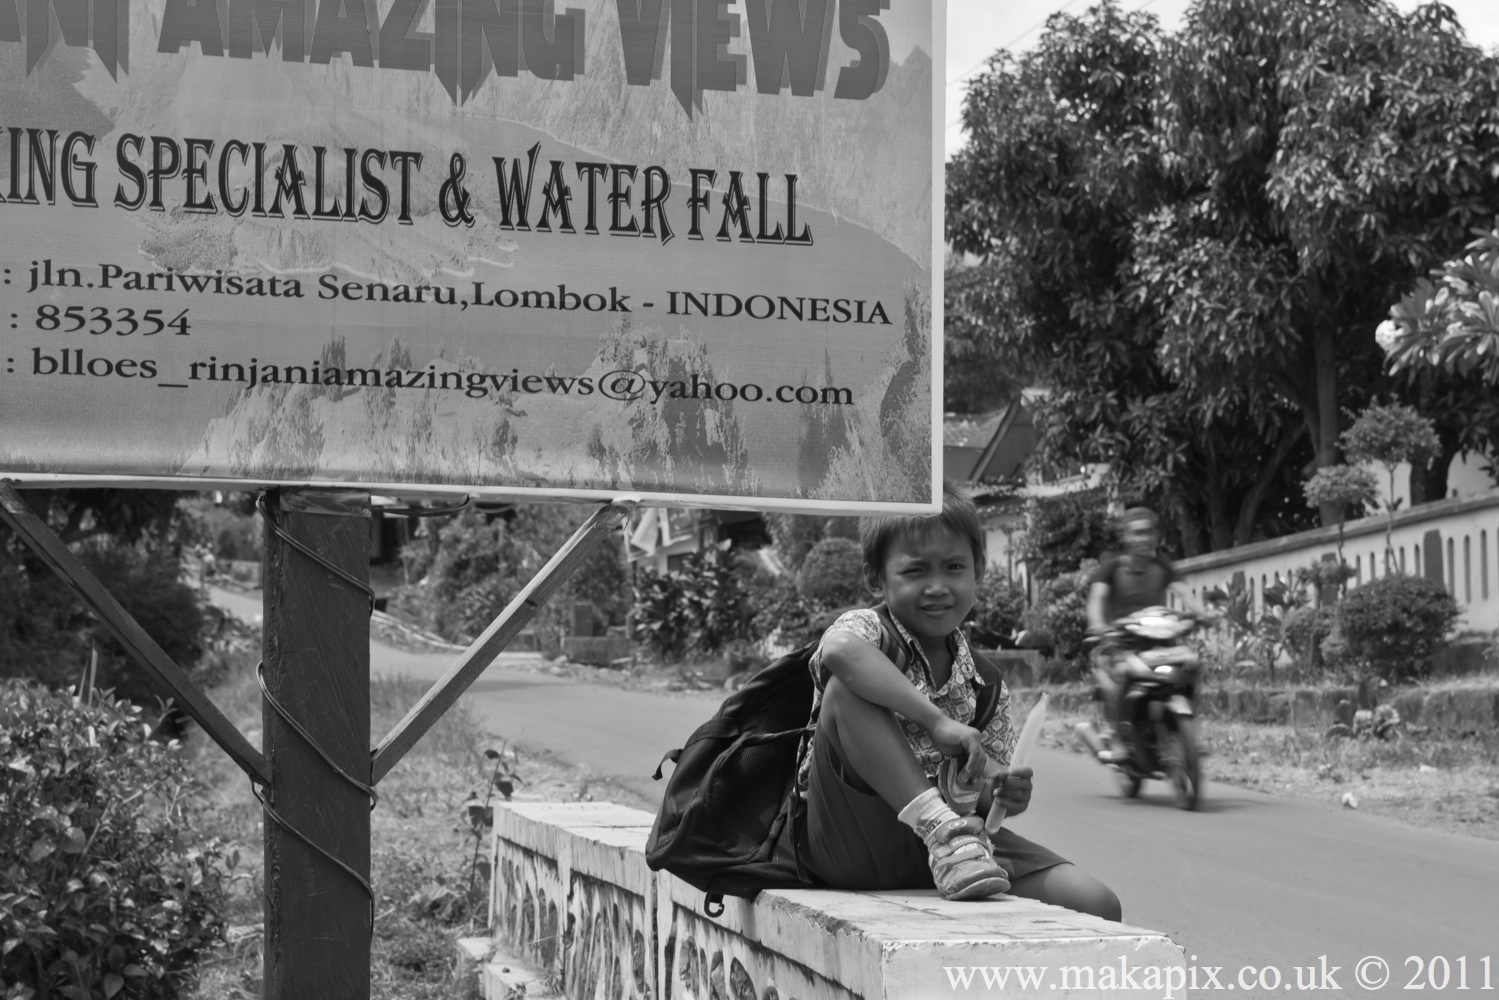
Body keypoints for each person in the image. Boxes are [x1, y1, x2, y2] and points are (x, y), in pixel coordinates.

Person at [793, 483, 1120, 917]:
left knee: (1096, 903)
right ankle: (939, 830)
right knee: (846, 688)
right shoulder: (868, 630)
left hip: (960, 853)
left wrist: (1003, 791)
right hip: (853, 838)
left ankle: (948, 841)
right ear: (876, 577)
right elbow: (838, 651)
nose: (937, 586)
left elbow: (985, 801)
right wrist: (936, 721)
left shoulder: (985, 681)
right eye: (915, 572)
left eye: (953, 567)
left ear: (978, 570)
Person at [1084, 507, 1204, 761]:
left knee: (1192, 663)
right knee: (1122, 675)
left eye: (1148, 532)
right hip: (1121, 646)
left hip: (1161, 646)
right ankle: (1116, 738)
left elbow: (1186, 595)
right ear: (1125, 537)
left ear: (1156, 536)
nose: (1143, 538)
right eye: (1137, 533)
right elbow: (1096, 603)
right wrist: (1099, 629)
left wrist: (1201, 614)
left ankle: (1190, 732)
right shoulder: (1111, 569)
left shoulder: (1162, 567)